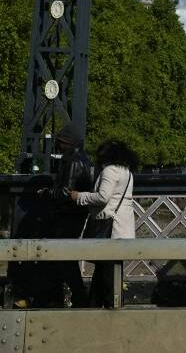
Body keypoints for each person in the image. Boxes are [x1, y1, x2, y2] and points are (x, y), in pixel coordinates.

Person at [71, 140, 138, 308]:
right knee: (108, 269)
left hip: (110, 227)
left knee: (106, 269)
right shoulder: (126, 172)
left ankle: (109, 305)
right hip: (122, 226)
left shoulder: (109, 171)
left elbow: (103, 197)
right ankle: (98, 303)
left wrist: (78, 197)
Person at [44, 126, 94, 307]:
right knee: (66, 256)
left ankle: (78, 297)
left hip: (68, 214)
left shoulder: (72, 161)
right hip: (77, 213)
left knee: (65, 257)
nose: (56, 144)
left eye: (58, 141)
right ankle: (76, 296)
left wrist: (48, 193)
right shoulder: (85, 159)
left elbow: (66, 191)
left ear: (66, 143)